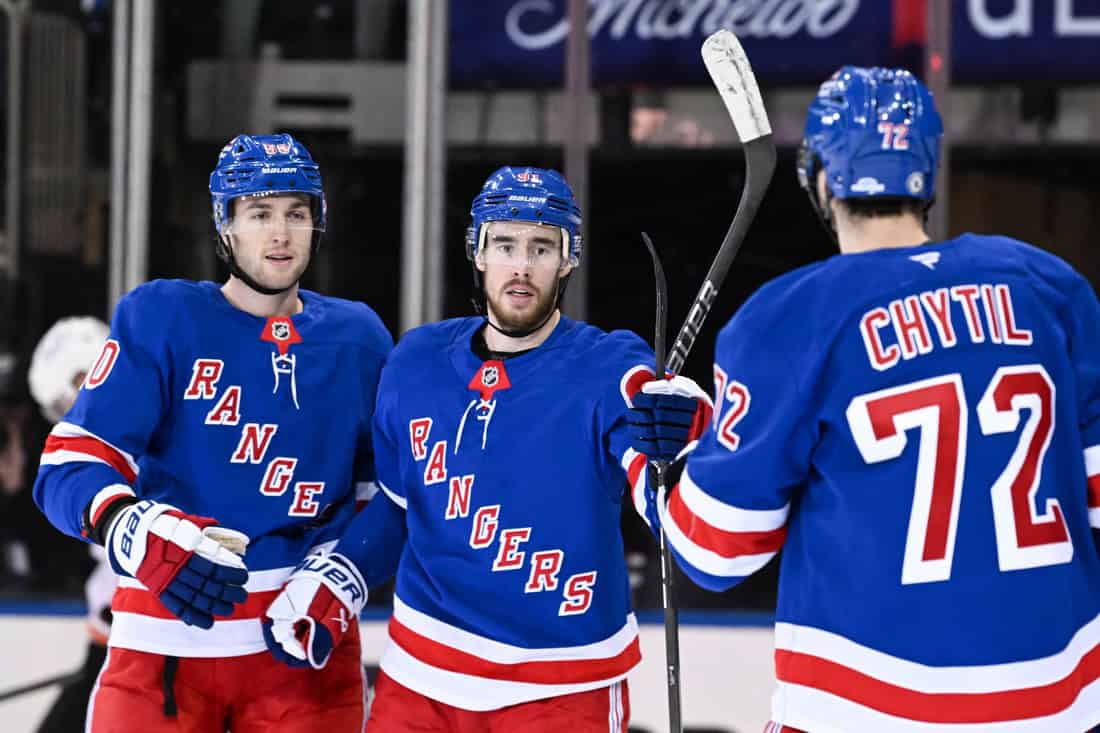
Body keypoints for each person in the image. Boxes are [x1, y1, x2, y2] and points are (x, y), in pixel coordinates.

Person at [629, 66, 1100, 732]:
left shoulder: (791, 319)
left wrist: (658, 458)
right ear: (927, 172)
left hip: (863, 707)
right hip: (1058, 705)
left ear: (821, 177)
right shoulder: (1050, 288)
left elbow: (714, 551)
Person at [261, 166, 709, 731]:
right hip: (422, 676)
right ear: (478, 252)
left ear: (568, 260)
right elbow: (401, 505)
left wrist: (684, 425)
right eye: (505, 244)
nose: (521, 266)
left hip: (563, 686)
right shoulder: (416, 361)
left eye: (542, 247)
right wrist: (339, 575)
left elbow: (652, 439)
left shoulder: (607, 367)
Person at [33, 133, 392, 732]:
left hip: (300, 654)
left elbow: (392, 495)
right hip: (164, 650)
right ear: (225, 226)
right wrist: (128, 526)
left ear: (317, 224)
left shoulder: (359, 340)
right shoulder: (163, 318)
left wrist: (349, 570)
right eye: (259, 213)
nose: (280, 233)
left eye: (295, 213)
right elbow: (69, 464)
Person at [27, 316, 116, 733]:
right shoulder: (89, 458)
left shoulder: (156, 444)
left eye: (68, 401)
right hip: (110, 651)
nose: (68, 418)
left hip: (155, 656)